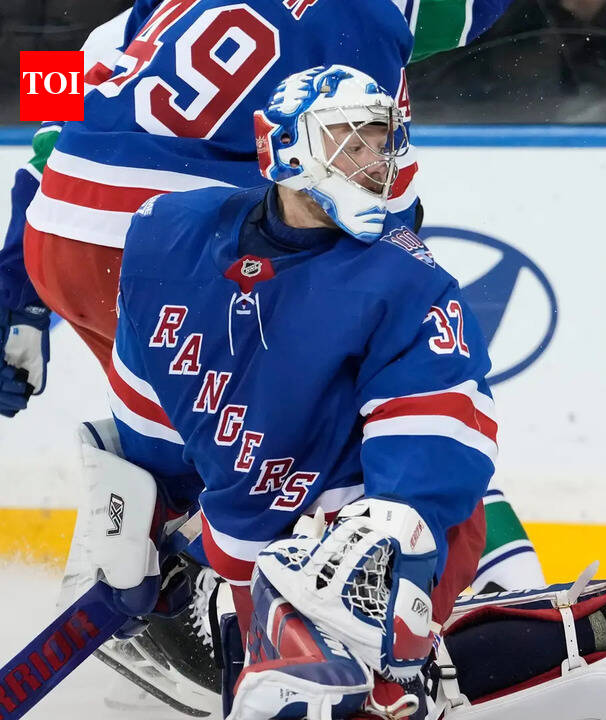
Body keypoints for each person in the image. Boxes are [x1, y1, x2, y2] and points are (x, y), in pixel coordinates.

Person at [87, 63, 606, 719]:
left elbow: (433, 437)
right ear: (283, 145)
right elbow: (153, 409)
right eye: (350, 141)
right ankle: (600, 634)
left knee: (322, 696)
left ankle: (586, 642)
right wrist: (142, 518)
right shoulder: (169, 235)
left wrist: (388, 549)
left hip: (356, 539)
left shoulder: (404, 279)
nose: (373, 160)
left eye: (381, 141)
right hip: (252, 548)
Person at [0, 0, 552, 705]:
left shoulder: (155, 8)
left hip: (66, 234)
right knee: (362, 427)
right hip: (191, 237)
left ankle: (137, 575)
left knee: (199, 432)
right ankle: (492, 596)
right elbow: (368, 207)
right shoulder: (374, 15)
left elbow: (56, 104)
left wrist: (15, 288)